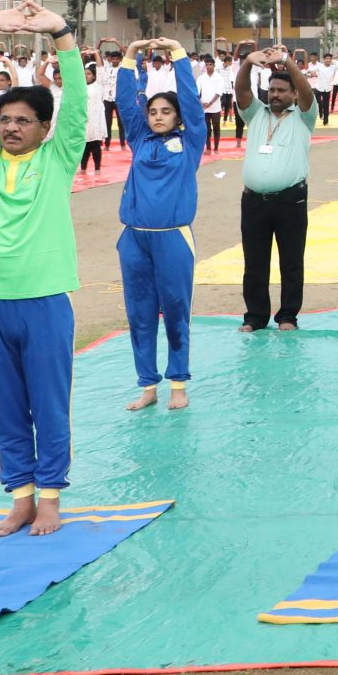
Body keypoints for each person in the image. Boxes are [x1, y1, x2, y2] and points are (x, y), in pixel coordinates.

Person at [0, 0, 89, 536]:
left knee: (49, 403)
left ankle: (52, 496)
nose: (10, 127)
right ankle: (22, 496)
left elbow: (77, 102)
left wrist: (59, 33)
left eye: (22, 121)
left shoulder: (58, 159)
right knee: (6, 406)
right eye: (5, 119)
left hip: (43, 300)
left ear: (44, 128)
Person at [114, 37, 202, 411]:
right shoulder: (139, 138)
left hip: (173, 240)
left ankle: (178, 383)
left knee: (176, 312)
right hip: (134, 240)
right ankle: (148, 385)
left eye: (166, 111)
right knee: (139, 314)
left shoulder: (191, 141)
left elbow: (193, 103)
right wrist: (130, 56)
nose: (158, 116)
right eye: (153, 112)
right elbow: (124, 102)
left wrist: (179, 54)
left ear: (178, 117)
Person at [234, 42, 317, 332]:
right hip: (254, 201)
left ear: (293, 94)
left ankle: (287, 316)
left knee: (291, 261)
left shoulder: (304, 117)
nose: (276, 95)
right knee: (254, 262)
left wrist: (287, 61)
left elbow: (307, 92)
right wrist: (247, 63)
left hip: (290, 201)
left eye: (282, 90)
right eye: (272, 90)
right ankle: (255, 317)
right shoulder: (255, 114)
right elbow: (241, 91)